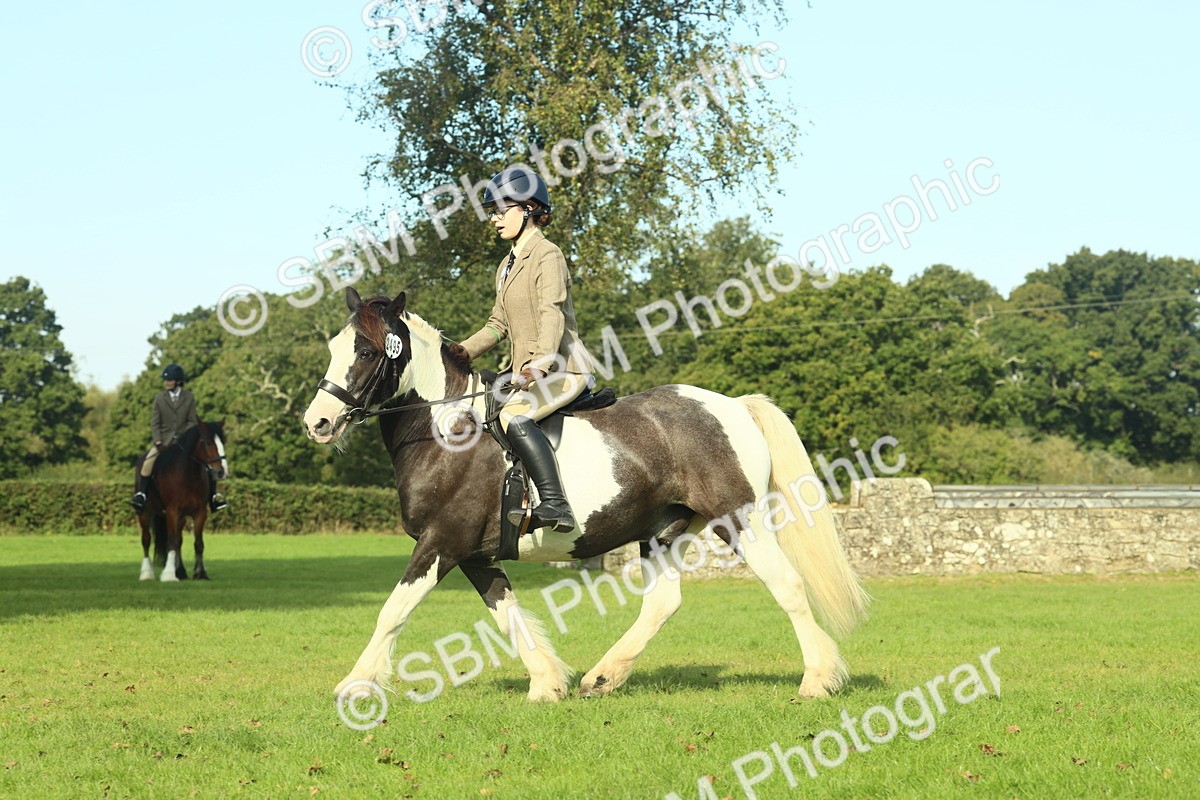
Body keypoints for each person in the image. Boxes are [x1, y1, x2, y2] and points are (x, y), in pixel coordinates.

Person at [454, 167, 592, 533]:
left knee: (513, 416)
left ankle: (556, 505)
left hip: (564, 368)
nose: (495, 218)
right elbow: (497, 323)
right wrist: (461, 352)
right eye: (492, 212)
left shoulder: (548, 255)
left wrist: (540, 363)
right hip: (524, 371)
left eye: (502, 209)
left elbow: (552, 312)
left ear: (529, 208)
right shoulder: (506, 264)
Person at [131, 364, 226, 513]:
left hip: (185, 443)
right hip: (163, 441)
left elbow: (192, 421)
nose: (167, 383)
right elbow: (155, 422)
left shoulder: (189, 397)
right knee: (147, 462)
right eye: (166, 380)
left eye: (170, 380)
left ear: (178, 381)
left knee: (208, 464)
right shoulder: (159, 398)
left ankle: (214, 497)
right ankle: (141, 494)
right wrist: (157, 440)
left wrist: (185, 437)